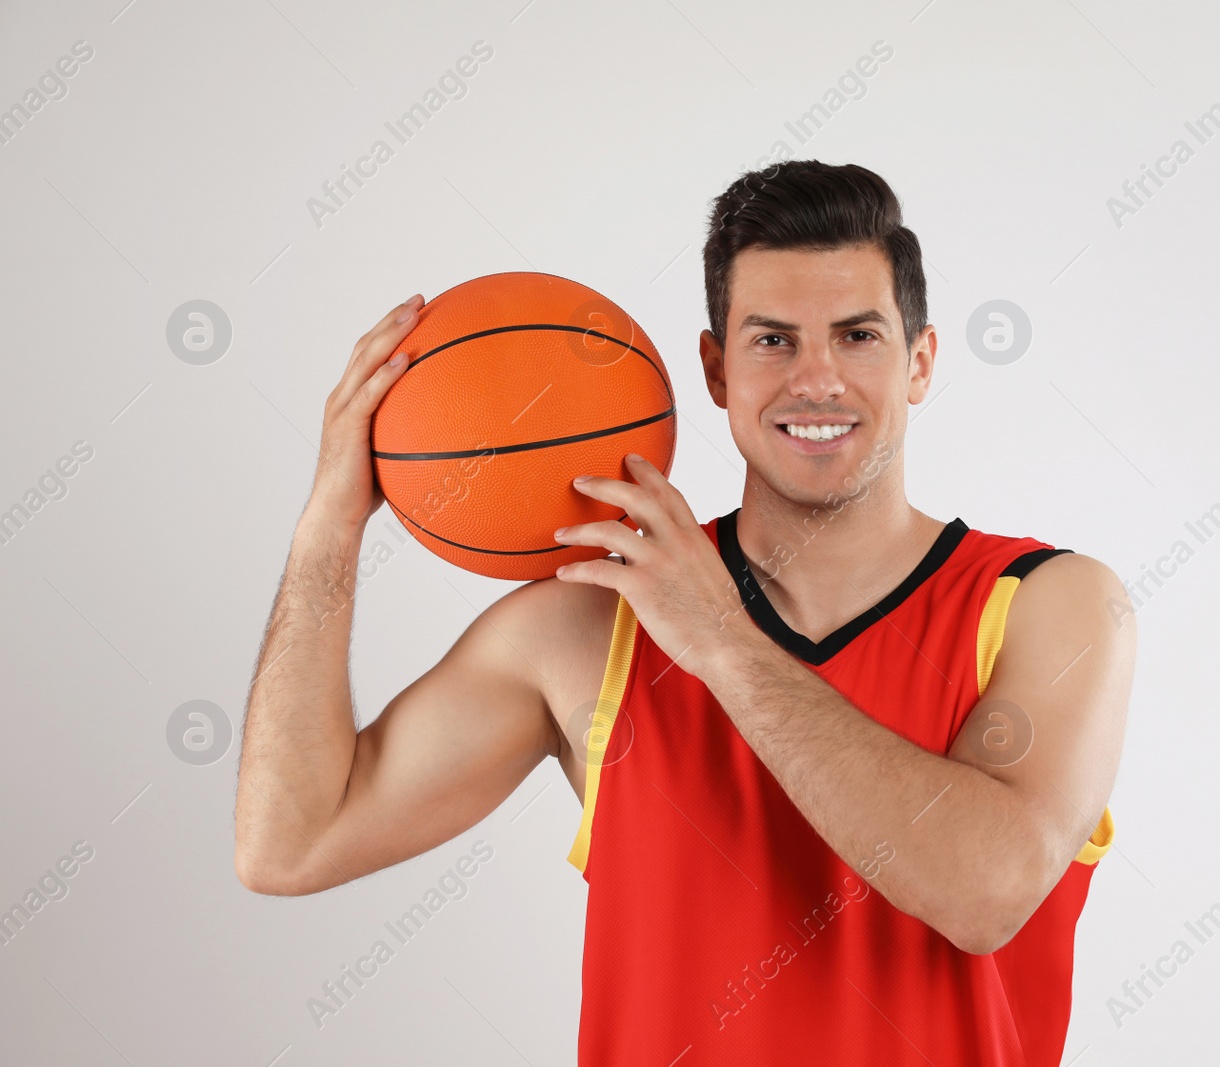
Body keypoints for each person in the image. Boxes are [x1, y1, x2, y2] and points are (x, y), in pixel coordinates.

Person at [234, 159, 1135, 1065]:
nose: (816, 379)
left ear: (921, 362)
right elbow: (289, 842)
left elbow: (984, 894)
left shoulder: (1048, 605)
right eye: (772, 341)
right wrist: (331, 523)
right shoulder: (587, 630)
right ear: (714, 368)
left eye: (858, 335)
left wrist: (722, 642)